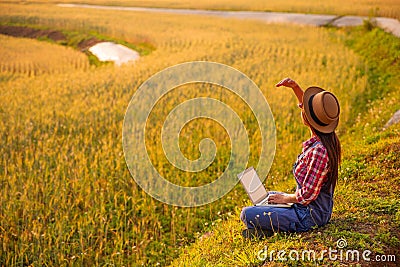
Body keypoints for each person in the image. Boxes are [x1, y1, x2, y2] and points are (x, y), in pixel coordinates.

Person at [240, 77, 341, 239]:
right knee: (267, 197)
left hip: (310, 215)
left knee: (246, 214)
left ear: (308, 119)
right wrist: (295, 87)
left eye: (305, 110)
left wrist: (287, 198)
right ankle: (267, 228)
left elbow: (307, 194)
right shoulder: (328, 138)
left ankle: (269, 229)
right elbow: (309, 109)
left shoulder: (319, 151)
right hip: (308, 207)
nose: (302, 109)